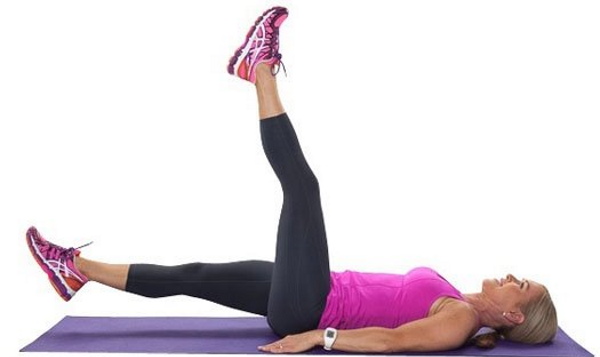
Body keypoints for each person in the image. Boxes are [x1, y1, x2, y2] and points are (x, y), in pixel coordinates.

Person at [25, 6, 558, 354]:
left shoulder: (460, 321)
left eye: (522, 283)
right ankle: (75, 270)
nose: (513, 275)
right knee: (197, 273)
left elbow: (393, 341)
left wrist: (316, 337)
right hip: (313, 288)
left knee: (304, 189)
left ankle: (257, 67)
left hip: (309, 306)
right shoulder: (458, 298)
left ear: (513, 312)